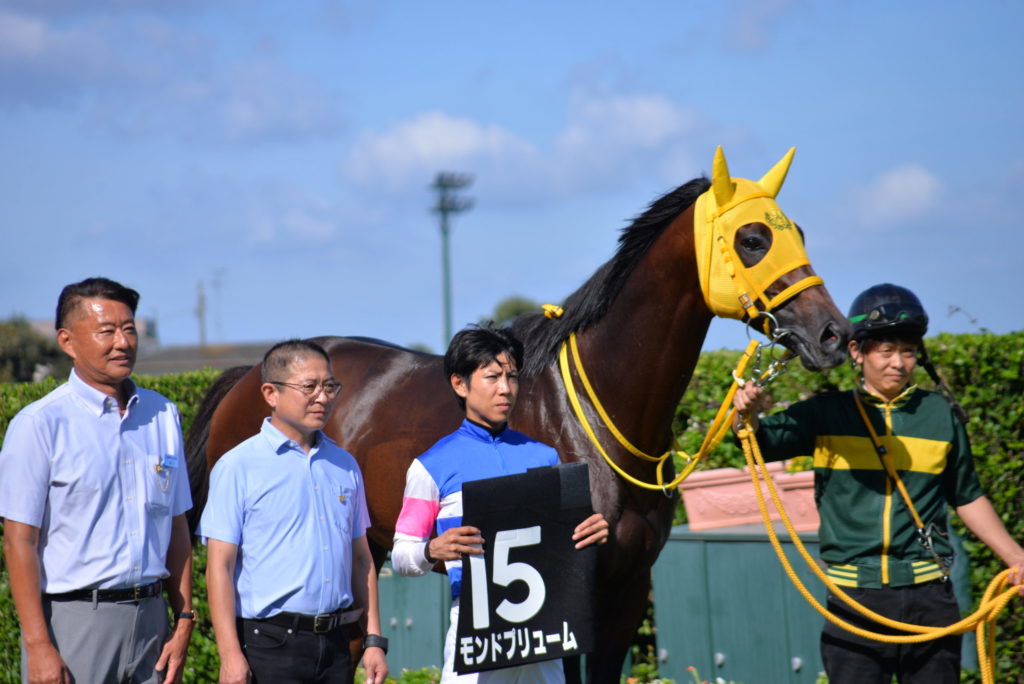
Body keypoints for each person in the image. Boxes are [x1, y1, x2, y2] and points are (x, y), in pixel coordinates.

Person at [732, 283, 1024, 684]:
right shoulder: (824, 413)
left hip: (929, 595)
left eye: (907, 351)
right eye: (886, 351)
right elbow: (757, 442)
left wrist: (1016, 557)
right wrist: (745, 414)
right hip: (855, 599)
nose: (898, 363)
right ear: (858, 352)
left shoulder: (939, 414)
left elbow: (967, 495)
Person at [0, 277, 194, 684]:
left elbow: (176, 526)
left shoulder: (162, 415)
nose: (122, 342)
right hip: (74, 623)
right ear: (67, 341)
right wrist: (38, 646)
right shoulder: (39, 424)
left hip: (152, 622)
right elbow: (21, 540)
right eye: (106, 331)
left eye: (129, 329)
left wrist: (184, 618)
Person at [392, 325, 609, 684]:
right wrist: (433, 549)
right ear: (460, 384)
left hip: (544, 626)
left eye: (512, 376)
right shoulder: (430, 466)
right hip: (475, 627)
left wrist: (590, 533)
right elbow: (402, 556)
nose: (506, 388)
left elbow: (566, 548)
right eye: (492, 377)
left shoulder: (545, 456)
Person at [199, 339, 388, 684]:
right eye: (309, 386)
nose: (323, 396)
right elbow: (220, 566)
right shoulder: (238, 466)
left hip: (336, 644)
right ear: (271, 393)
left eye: (329, 386)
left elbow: (362, 560)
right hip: (270, 645)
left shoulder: (344, 465)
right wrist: (229, 655)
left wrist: (374, 639)